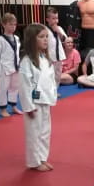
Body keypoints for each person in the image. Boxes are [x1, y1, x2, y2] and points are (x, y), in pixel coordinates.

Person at [18, 24, 57, 172]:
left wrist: (52, 96)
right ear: (31, 40)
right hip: (34, 102)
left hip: (45, 100)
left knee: (45, 132)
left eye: (46, 36)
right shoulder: (27, 61)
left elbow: (51, 81)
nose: (45, 40)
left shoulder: (46, 59)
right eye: (41, 37)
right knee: (34, 133)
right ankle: (34, 161)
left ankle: (42, 157)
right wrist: (28, 106)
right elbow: (24, 85)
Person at [0, 13, 23, 117]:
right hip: (4, 67)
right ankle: (3, 109)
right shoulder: (0, 40)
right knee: (3, 88)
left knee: (15, 87)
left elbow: (17, 53)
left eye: (14, 24)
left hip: (15, 66)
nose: (13, 27)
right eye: (10, 24)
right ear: (4, 25)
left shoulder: (17, 38)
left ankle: (13, 106)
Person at [45, 7, 67, 89]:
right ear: (48, 19)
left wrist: (58, 31)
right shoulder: (45, 29)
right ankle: (48, 91)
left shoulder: (60, 28)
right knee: (49, 74)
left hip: (59, 56)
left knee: (58, 75)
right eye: (53, 18)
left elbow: (64, 40)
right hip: (49, 56)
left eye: (56, 18)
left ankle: (55, 90)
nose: (55, 21)